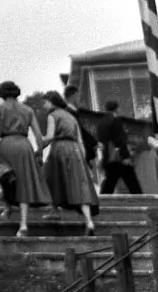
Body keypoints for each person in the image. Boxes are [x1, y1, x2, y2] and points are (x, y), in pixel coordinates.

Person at [0, 81, 48, 237]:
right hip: (24, 146)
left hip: (6, 145)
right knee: (24, 183)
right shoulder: (28, 110)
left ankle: (8, 207)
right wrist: (40, 152)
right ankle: (23, 225)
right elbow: (39, 135)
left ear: (2, 93)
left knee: (6, 177)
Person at [36, 90, 99, 235]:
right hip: (76, 151)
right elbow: (80, 141)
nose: (44, 106)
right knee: (79, 186)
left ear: (52, 102)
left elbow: (50, 136)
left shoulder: (53, 115)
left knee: (50, 179)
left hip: (59, 149)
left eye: (45, 102)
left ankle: (54, 210)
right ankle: (89, 221)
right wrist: (83, 161)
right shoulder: (71, 117)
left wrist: (39, 148)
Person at [97, 102, 142, 195]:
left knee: (110, 181)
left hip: (107, 156)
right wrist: (126, 156)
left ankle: (103, 202)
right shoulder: (115, 120)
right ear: (116, 109)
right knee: (132, 181)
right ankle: (140, 199)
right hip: (119, 156)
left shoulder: (101, 123)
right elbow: (120, 139)